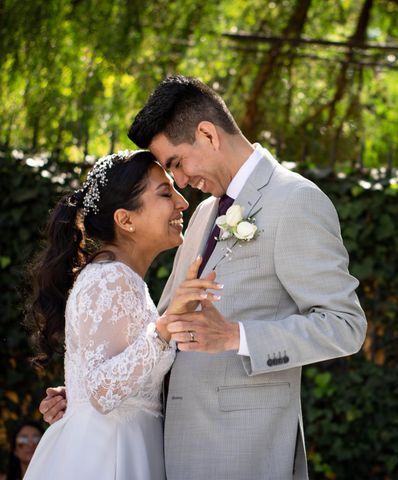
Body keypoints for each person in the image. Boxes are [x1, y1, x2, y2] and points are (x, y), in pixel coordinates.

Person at [41, 76, 368, 479]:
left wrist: (237, 336)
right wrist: (88, 397)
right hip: (171, 448)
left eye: (176, 163)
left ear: (208, 135)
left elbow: (345, 326)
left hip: (242, 452)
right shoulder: (200, 216)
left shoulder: (295, 201)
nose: (179, 182)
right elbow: (166, 328)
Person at [24, 150, 221, 479]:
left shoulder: (120, 278)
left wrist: (76, 393)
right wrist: (165, 326)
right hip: (108, 454)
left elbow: (100, 377)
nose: (182, 202)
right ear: (125, 219)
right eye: (165, 193)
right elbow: (102, 391)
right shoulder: (111, 279)